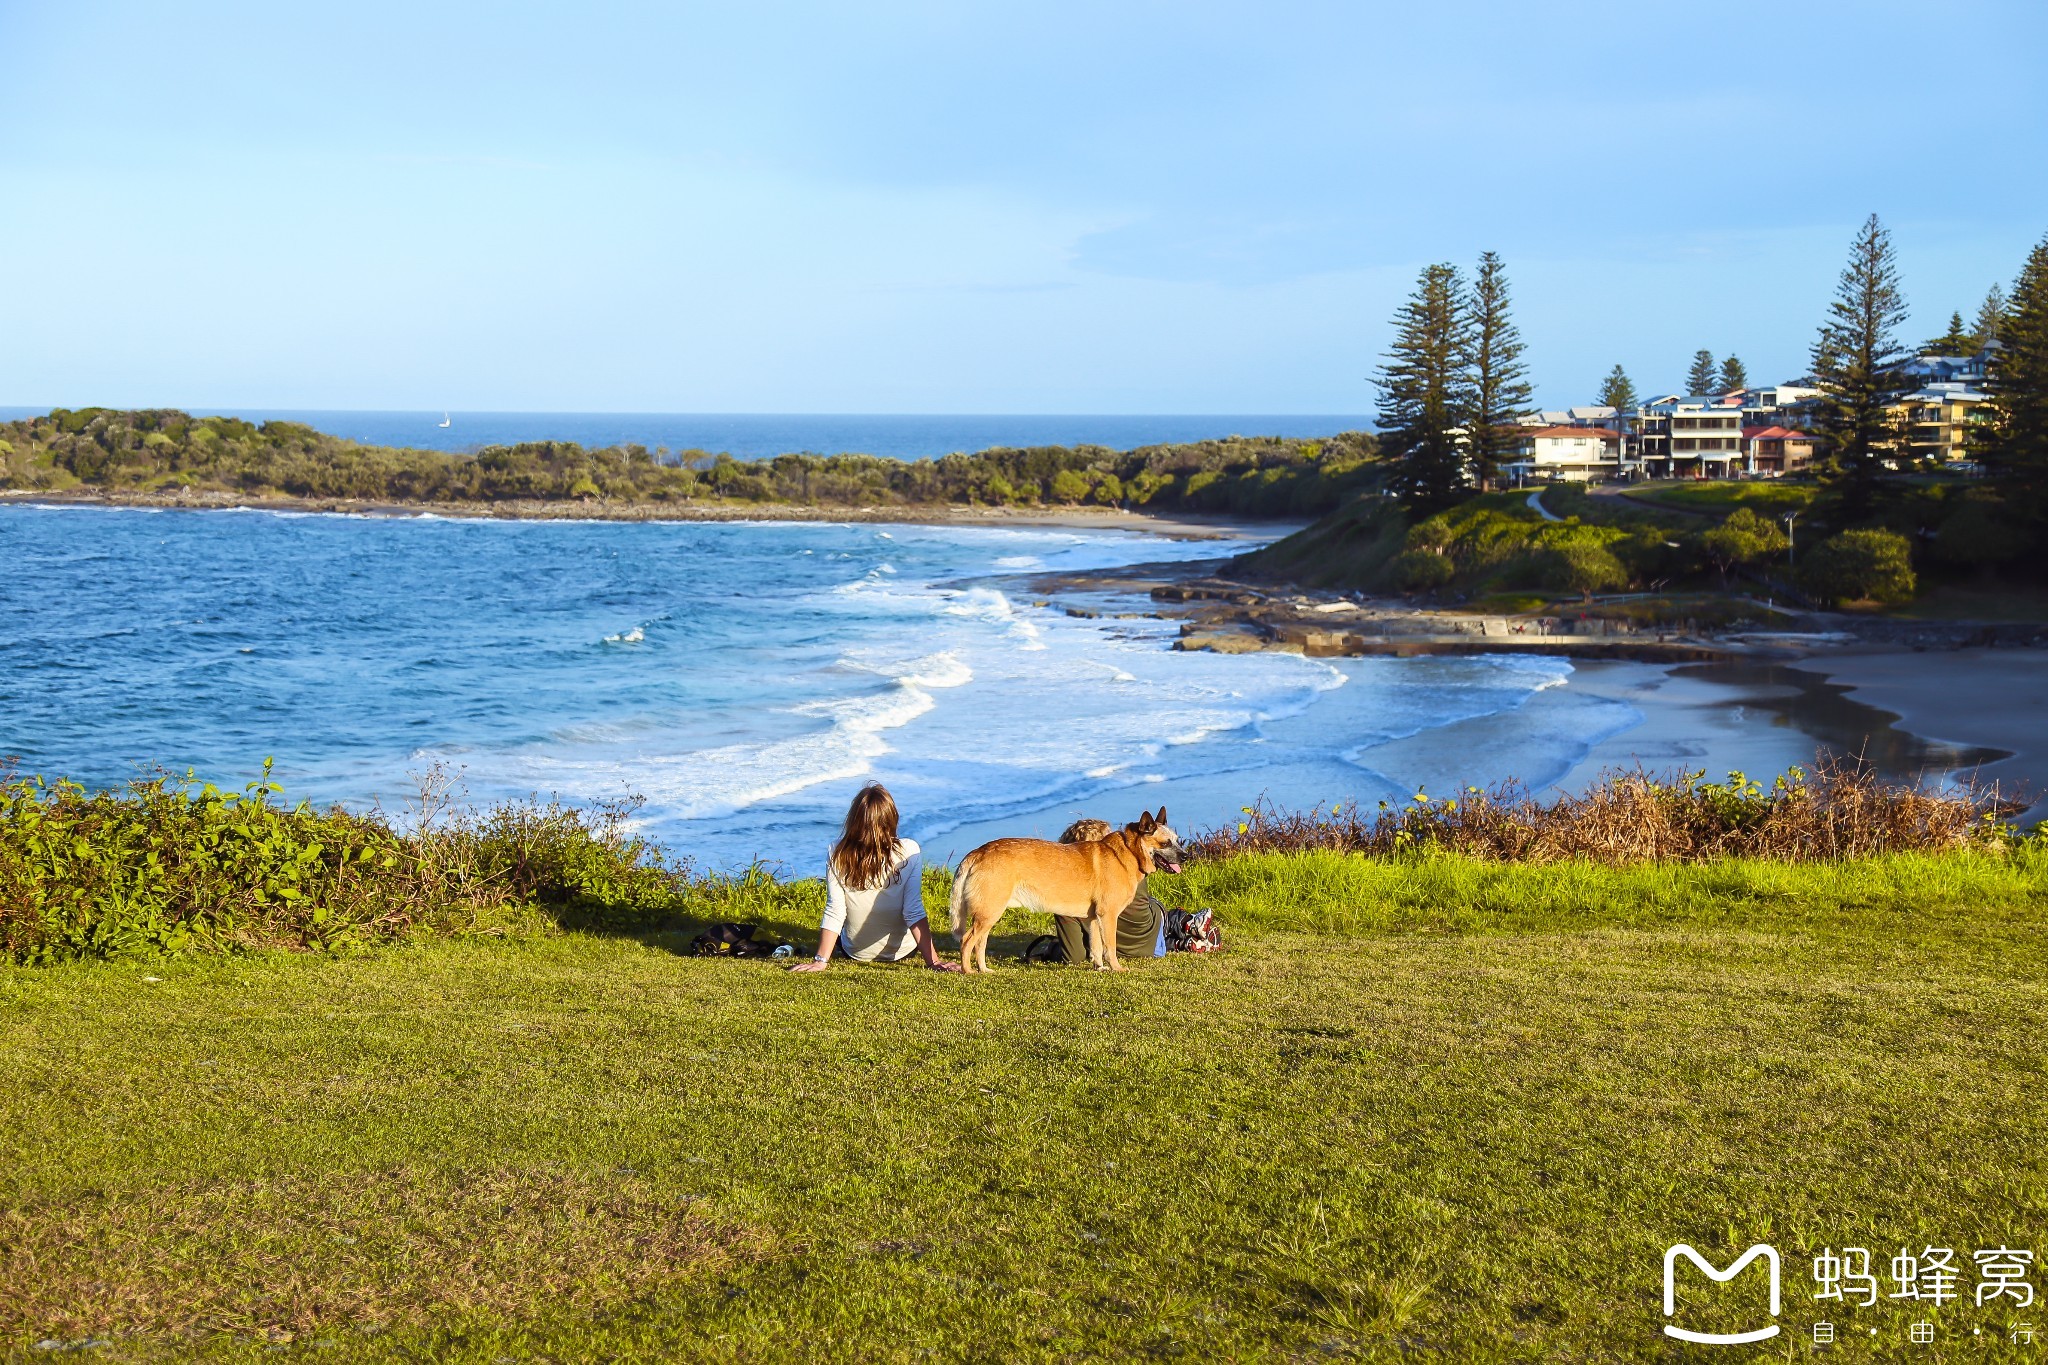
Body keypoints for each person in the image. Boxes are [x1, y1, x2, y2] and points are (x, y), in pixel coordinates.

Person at [789, 783, 960, 973]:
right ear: (891, 819)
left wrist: (820, 961)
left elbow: (835, 910)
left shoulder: (836, 851)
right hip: (902, 952)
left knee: (841, 925)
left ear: (854, 820)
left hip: (853, 952)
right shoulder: (910, 850)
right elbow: (913, 910)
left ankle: (826, 953)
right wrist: (933, 962)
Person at [1046, 817, 1166, 965]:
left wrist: (1052, 949)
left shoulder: (1071, 889)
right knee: (1155, 906)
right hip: (1152, 945)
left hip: (1125, 947)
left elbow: (1073, 954)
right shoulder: (1136, 866)